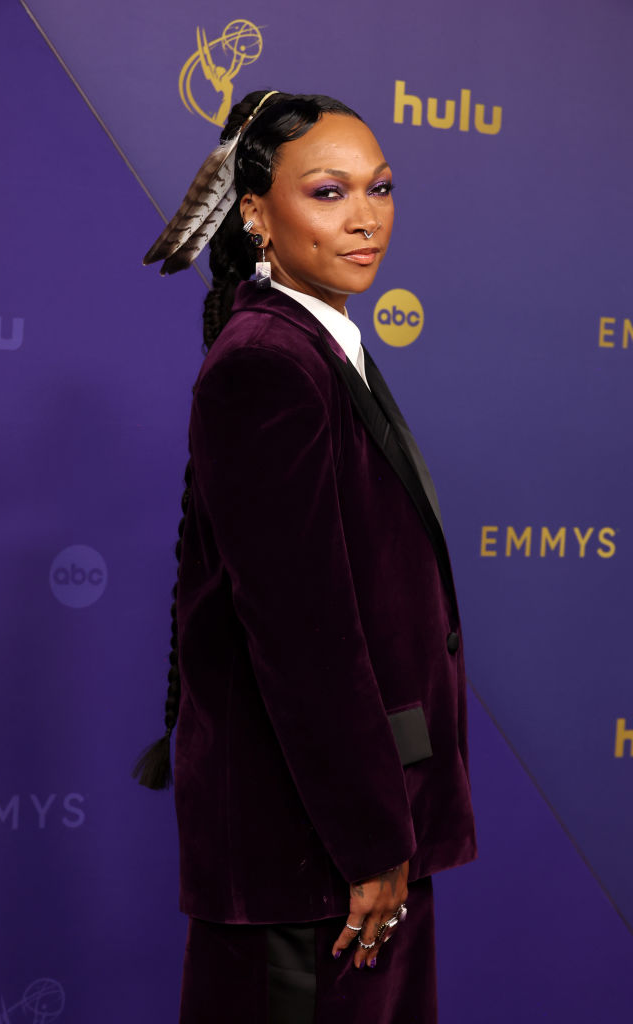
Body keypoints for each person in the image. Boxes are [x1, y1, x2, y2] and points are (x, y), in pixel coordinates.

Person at [136, 89, 477, 1024]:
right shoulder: (266, 364)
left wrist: (384, 833)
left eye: (380, 189)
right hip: (313, 857)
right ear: (255, 213)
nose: (366, 218)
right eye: (329, 192)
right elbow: (301, 634)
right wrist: (370, 840)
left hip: (351, 838)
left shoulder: (318, 345)